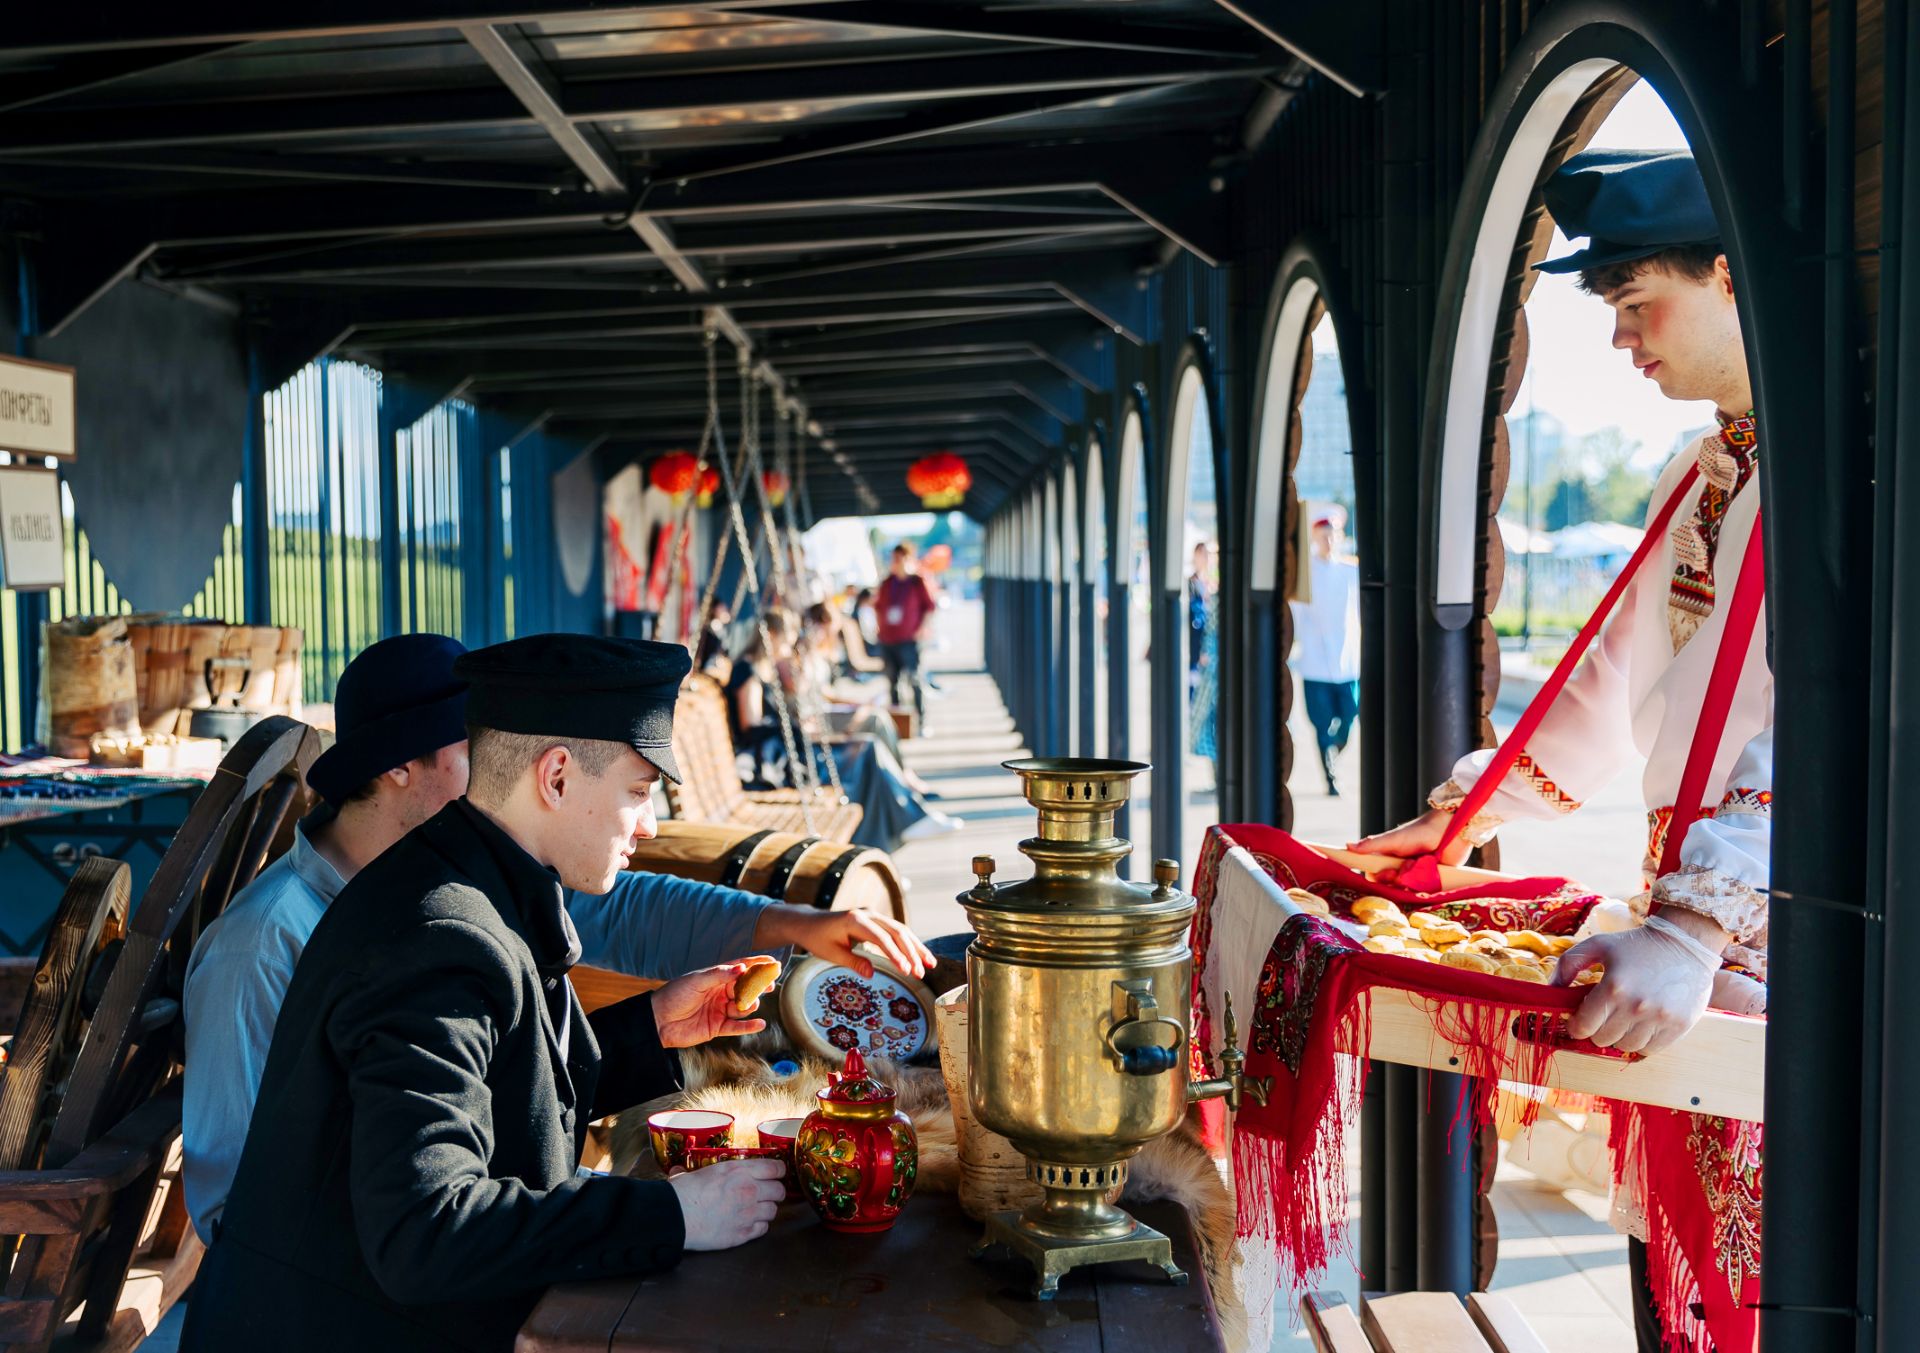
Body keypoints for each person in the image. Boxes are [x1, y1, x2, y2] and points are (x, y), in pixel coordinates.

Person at [181, 634, 925, 1352]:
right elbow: (426, 1228)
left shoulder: (478, 885)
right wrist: (672, 1213)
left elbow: (495, 1095)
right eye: (639, 791)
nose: (650, 823)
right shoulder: (440, 936)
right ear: (557, 776)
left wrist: (652, 1031)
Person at [1350, 148, 1771, 1352]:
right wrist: (1466, 808)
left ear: (1733, 278)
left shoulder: (1861, 470)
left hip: (1792, 912)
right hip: (1692, 906)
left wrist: (1697, 925)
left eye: (1641, 306)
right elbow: (1602, 683)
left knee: (1780, 1260)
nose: (1625, 342)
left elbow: (1838, 732)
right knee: (1674, 1264)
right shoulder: (1695, 478)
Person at [1290, 515, 1361, 795]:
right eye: (1323, 536)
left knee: (1348, 715)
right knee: (1320, 723)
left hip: (1347, 661)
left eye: (1332, 535)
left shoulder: (1350, 571)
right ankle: (1329, 778)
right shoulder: (1306, 575)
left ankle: (1335, 750)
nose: (1328, 541)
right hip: (1315, 662)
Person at [873, 543, 937, 725]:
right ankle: (898, 724)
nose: (896, 562)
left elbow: (929, 607)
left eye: (900, 558)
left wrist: (921, 629)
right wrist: (879, 626)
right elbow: (878, 607)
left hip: (909, 640)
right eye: (894, 558)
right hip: (888, 639)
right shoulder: (887, 583)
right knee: (892, 682)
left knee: (914, 680)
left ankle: (922, 720)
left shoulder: (916, 582)